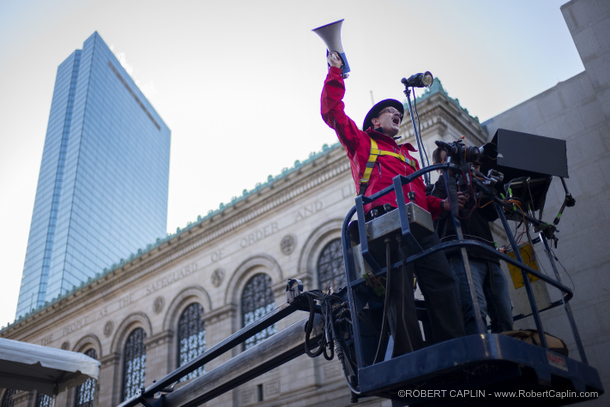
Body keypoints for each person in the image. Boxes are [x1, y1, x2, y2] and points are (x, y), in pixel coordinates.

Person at [321, 52, 465, 355]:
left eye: (398, 112)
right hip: (384, 225)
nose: (396, 113)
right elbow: (332, 111)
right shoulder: (362, 144)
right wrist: (335, 72)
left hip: (420, 225)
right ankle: (411, 357)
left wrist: (443, 208)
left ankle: (454, 348)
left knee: (442, 282)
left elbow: (423, 197)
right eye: (389, 111)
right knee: (399, 293)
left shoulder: (409, 157)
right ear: (375, 121)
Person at [430, 147, 514, 335]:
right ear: (437, 166)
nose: (456, 162)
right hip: (461, 255)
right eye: (449, 158)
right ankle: (483, 361)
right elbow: (434, 212)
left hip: (489, 256)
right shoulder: (437, 188)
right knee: (476, 312)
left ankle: (507, 363)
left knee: (505, 315)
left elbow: (492, 213)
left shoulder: (474, 183)